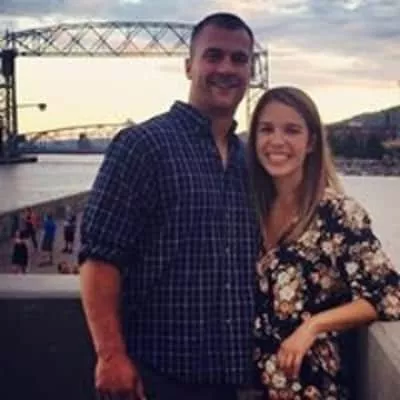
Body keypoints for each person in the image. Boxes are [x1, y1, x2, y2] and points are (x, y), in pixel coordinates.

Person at [79, 12, 260, 400]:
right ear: (189, 66)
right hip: (155, 377)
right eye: (213, 55)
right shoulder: (142, 146)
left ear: (250, 70)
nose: (226, 68)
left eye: (239, 59)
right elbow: (99, 258)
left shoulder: (250, 162)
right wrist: (110, 355)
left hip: (233, 383)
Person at [247, 86, 400, 399]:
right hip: (251, 387)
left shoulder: (337, 213)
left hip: (311, 388)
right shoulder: (248, 209)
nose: (277, 140)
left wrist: (313, 326)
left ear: (311, 142)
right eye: (266, 129)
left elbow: (388, 294)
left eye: (292, 130)